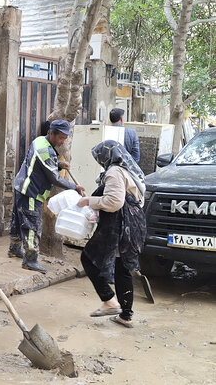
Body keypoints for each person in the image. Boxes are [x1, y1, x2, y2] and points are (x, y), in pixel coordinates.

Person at [77, 140, 146, 328]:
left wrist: (88, 201)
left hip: (119, 226)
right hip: (133, 225)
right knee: (122, 268)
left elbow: (114, 202)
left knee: (89, 259)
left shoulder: (114, 171)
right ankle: (126, 315)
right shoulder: (130, 170)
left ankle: (109, 300)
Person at [8, 119, 86, 274]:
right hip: (31, 191)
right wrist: (74, 187)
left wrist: (59, 164)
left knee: (17, 221)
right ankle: (30, 260)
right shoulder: (46, 150)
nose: (62, 141)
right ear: (51, 133)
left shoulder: (39, 141)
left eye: (65, 138)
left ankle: (14, 249)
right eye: (60, 138)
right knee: (32, 226)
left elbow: (40, 164)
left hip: (21, 185)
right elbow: (54, 178)